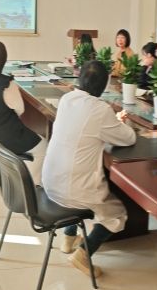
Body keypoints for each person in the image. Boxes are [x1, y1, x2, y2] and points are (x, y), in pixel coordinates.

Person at [42, 61, 138, 278]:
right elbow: (128, 138)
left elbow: (85, 127)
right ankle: (83, 254)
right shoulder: (100, 109)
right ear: (103, 86)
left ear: (80, 79)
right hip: (74, 190)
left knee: (78, 178)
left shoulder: (67, 99)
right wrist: (119, 123)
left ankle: (68, 239)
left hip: (50, 182)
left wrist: (110, 123)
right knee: (117, 215)